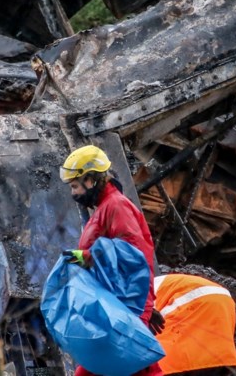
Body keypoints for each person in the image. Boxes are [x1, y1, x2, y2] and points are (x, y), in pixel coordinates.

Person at [60, 145, 163, 376]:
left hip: (122, 307)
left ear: (91, 180)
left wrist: (85, 257)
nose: (73, 194)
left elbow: (130, 254)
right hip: (118, 306)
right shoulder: (106, 208)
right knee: (137, 366)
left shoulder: (116, 206)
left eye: (75, 186)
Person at [152, 274, 236, 375]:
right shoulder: (148, 282)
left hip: (191, 299)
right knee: (212, 356)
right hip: (222, 299)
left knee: (160, 361)